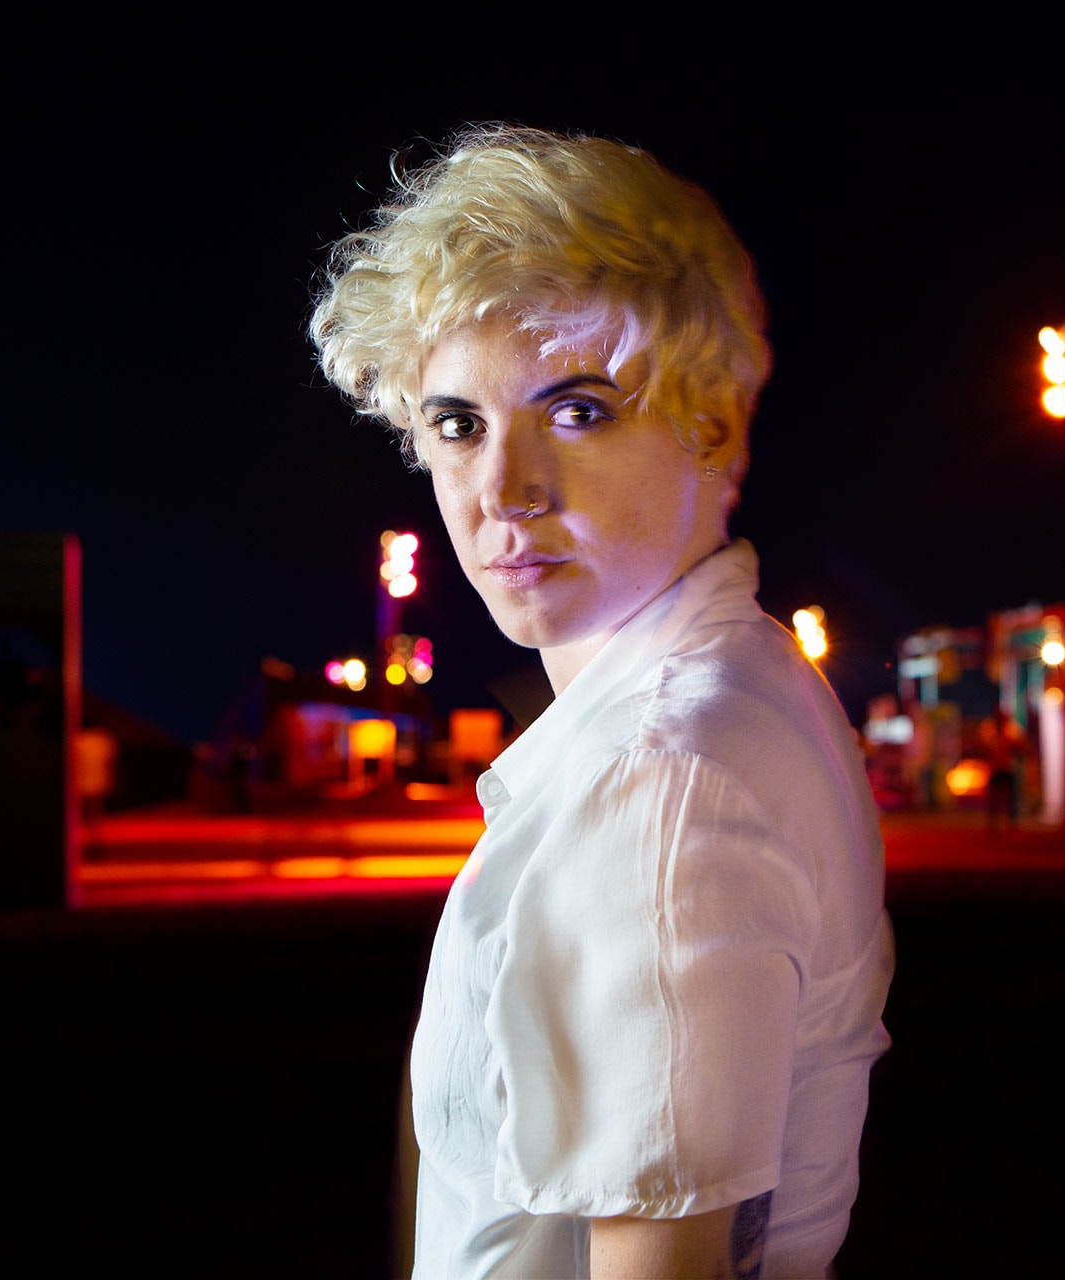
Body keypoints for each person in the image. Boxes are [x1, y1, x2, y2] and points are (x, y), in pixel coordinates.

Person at [311, 125, 895, 1280]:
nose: (502, 490)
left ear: (709, 421)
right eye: (457, 423)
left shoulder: (665, 775)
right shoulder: (738, 683)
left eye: (576, 408)